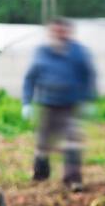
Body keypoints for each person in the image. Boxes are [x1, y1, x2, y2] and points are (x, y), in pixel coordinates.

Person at [21, 16, 97, 192]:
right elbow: (30, 78)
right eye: (56, 30)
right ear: (50, 32)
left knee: (72, 142)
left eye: (63, 30)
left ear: (69, 32)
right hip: (47, 104)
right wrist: (27, 102)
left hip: (70, 105)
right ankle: (40, 174)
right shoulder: (42, 52)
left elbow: (88, 76)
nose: (59, 34)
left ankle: (73, 179)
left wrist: (89, 100)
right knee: (43, 143)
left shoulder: (77, 52)